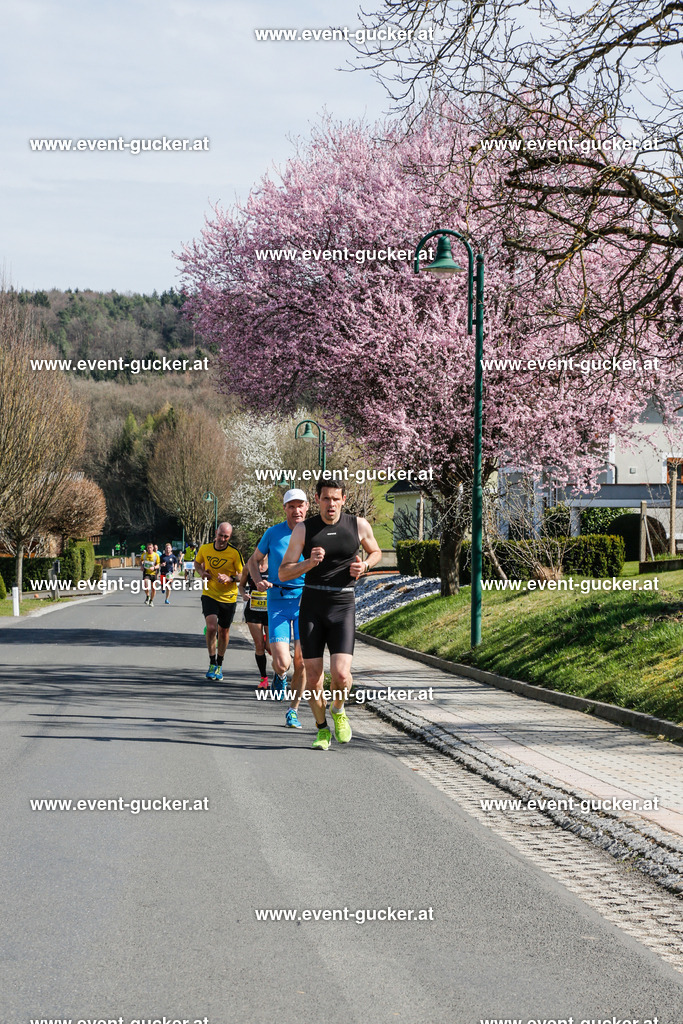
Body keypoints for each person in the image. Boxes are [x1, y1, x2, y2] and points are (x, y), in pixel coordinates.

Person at [279, 480, 381, 750]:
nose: (331, 504)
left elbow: (376, 551)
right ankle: (322, 729)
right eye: (326, 499)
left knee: (341, 675)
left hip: (343, 605)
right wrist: (309, 563)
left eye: (336, 499)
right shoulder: (304, 529)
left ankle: (338, 709)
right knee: (313, 678)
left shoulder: (358, 525)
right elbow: (283, 572)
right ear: (317, 499)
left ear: (344, 499)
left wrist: (365, 566)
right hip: (312, 605)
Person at [246, 489, 308, 729]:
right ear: (285, 509)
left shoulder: (314, 532)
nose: (296, 511)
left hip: (305, 600)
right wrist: (257, 581)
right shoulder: (273, 533)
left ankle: (293, 710)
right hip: (278, 601)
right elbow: (253, 560)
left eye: (300, 506)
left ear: (307, 507)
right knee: (283, 662)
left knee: (301, 662)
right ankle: (280, 676)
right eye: (291, 506)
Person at [195, 523, 244, 681]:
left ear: (230, 537)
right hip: (210, 593)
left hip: (228, 597)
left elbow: (243, 575)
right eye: (221, 535)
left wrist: (230, 578)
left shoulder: (234, 553)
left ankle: (219, 665)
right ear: (216, 533)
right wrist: (202, 572)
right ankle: (211, 662)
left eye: (226, 537)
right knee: (211, 627)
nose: (222, 539)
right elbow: (197, 563)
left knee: (223, 632)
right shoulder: (205, 549)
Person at [238, 558, 271, 688]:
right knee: (259, 645)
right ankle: (264, 678)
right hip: (253, 610)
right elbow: (241, 585)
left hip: (270, 611)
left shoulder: (274, 565)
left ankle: (280, 673)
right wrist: (243, 594)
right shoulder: (249, 566)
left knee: (269, 646)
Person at [140, 542, 161, 606]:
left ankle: (151, 600)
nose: (149, 549)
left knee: (153, 588)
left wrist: (154, 567)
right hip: (146, 572)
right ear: (147, 548)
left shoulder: (156, 555)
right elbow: (141, 561)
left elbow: (158, 565)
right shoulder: (144, 555)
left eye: (150, 548)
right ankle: (148, 596)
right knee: (145, 584)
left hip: (154, 573)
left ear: (153, 548)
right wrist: (142, 566)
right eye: (148, 548)